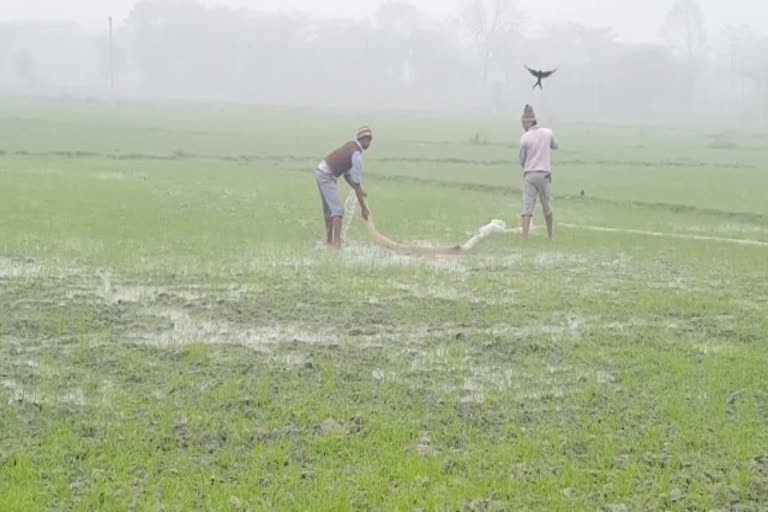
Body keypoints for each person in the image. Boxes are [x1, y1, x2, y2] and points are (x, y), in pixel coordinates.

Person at [315, 126, 372, 248]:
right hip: (327, 175)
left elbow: (347, 176)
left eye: (370, 139)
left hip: (321, 171)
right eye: (367, 139)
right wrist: (363, 208)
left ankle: (329, 242)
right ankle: (336, 244)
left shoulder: (351, 146)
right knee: (338, 210)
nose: (369, 142)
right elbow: (356, 184)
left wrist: (360, 191)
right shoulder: (356, 154)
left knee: (330, 210)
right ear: (361, 139)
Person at [519, 104, 558, 240]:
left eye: (523, 122)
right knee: (547, 206)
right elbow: (555, 145)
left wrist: (526, 165)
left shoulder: (525, 137)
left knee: (527, 208)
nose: (523, 125)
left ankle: (524, 238)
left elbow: (522, 159)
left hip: (530, 174)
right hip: (545, 174)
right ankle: (550, 236)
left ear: (529, 122)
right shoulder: (548, 133)